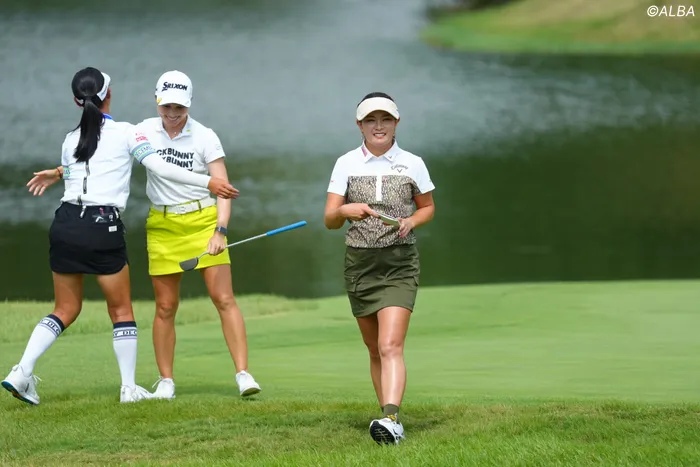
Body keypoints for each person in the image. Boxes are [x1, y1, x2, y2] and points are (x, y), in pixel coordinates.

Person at [1, 67, 236, 405]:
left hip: (65, 223)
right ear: (108, 94)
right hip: (102, 226)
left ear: (76, 101)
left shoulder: (70, 138)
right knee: (122, 310)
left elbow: (86, 165)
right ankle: (128, 388)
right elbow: (159, 167)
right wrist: (209, 182)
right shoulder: (128, 133)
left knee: (65, 308)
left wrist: (58, 172)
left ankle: (21, 370)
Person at [138, 70, 260, 399]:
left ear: (189, 104)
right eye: (167, 107)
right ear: (157, 101)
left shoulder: (205, 136)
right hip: (162, 225)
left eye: (179, 107)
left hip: (204, 220)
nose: (172, 114)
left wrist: (220, 230)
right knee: (165, 306)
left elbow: (223, 189)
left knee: (223, 298)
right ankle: (166, 381)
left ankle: (243, 374)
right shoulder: (143, 131)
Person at [323, 92, 436, 445]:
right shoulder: (345, 164)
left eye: (385, 119)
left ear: (396, 123)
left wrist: (411, 221)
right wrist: (344, 211)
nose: (378, 126)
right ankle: (387, 420)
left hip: (399, 262)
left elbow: (427, 207)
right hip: (360, 265)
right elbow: (329, 220)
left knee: (390, 345)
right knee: (374, 349)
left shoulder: (413, 163)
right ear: (359, 125)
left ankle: (391, 418)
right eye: (371, 120)